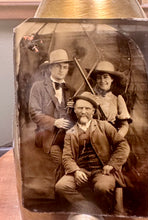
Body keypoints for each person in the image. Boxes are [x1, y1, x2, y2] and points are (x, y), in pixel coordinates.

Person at [55, 91, 130, 214]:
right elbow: (67, 157)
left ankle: (104, 213)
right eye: (80, 108)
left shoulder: (104, 126)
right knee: (61, 187)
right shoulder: (70, 133)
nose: (83, 111)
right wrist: (75, 171)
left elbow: (122, 145)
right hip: (81, 170)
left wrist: (111, 164)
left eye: (87, 108)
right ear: (74, 110)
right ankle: (90, 210)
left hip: (102, 170)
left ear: (93, 111)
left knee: (103, 187)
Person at [29, 49, 75, 182]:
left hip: (69, 137)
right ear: (50, 68)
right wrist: (55, 122)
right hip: (48, 136)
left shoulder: (71, 89)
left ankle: (65, 194)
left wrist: (74, 110)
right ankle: (61, 195)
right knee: (63, 163)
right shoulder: (38, 87)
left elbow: (76, 119)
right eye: (57, 66)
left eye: (65, 67)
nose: (62, 70)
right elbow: (34, 113)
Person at [90, 61, 131, 137]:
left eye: (106, 77)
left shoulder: (117, 99)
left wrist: (116, 138)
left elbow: (125, 125)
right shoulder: (89, 96)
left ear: (112, 79)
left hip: (111, 137)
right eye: (99, 78)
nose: (102, 81)